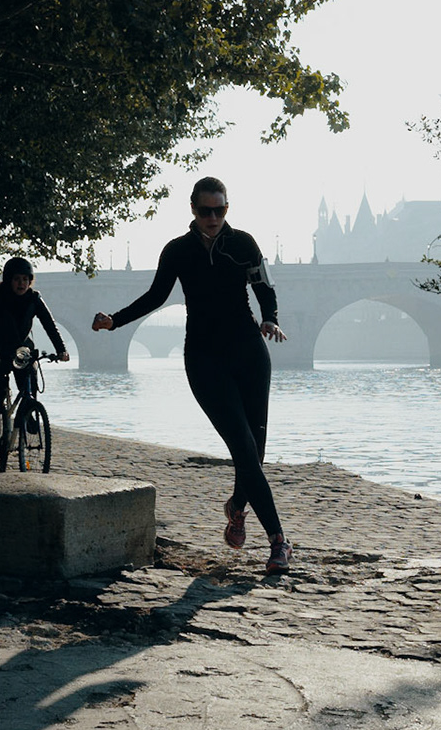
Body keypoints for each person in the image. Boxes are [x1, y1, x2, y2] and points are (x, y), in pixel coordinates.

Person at [94, 177, 293, 572]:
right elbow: (155, 296)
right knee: (242, 444)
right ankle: (279, 542)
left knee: (255, 451)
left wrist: (269, 319)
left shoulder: (244, 244)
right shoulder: (178, 251)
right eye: (207, 211)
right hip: (204, 358)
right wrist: (115, 321)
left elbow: (264, 288)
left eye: (221, 210)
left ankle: (237, 506)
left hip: (249, 352)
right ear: (193, 210)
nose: (214, 217)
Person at [0, 256, 68, 472]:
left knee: (29, 375)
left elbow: (49, 324)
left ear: (30, 281)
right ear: (9, 280)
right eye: (17, 279)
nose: (21, 283)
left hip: (20, 349)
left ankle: (29, 411)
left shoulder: (35, 299)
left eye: (25, 279)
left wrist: (61, 348)